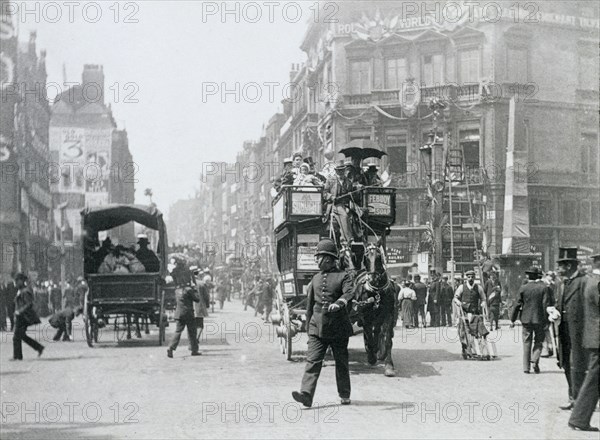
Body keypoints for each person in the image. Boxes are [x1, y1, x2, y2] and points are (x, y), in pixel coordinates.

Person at [292, 239, 354, 407]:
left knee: (341, 362)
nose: (316, 260)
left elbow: (349, 293)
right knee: (312, 361)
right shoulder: (316, 278)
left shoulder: (344, 276)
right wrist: (308, 329)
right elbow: (310, 305)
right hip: (316, 327)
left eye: (318, 257)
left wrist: (340, 302)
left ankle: (344, 394)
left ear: (328, 258)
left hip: (338, 327)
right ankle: (306, 394)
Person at [568, 253, 600, 432]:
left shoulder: (590, 281)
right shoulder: (597, 283)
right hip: (598, 337)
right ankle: (579, 419)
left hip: (594, 336)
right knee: (593, 379)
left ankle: (579, 418)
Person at [553, 247, 588, 410]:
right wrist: (554, 311)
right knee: (566, 363)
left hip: (579, 332)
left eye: (560, 265)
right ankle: (572, 397)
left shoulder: (583, 282)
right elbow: (561, 304)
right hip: (564, 330)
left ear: (568, 266)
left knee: (578, 365)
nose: (557, 269)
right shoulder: (561, 284)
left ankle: (579, 398)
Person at [510, 266, 551, 374]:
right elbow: (545, 305)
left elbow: (517, 304)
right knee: (539, 341)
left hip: (526, 319)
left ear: (529, 276)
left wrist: (513, 319)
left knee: (526, 342)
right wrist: (546, 320)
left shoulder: (523, 288)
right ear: (539, 276)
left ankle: (526, 367)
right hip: (539, 319)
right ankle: (535, 360)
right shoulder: (544, 288)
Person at [167, 264, 201, 358]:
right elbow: (197, 299)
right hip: (189, 313)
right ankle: (194, 350)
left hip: (179, 313)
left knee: (178, 331)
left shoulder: (177, 290)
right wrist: (195, 289)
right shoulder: (188, 290)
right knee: (192, 332)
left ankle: (171, 348)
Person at [454, 270, 489, 358]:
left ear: (474, 278)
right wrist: (458, 302)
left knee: (478, 332)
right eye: (469, 277)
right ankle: (465, 350)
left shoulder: (478, 288)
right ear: (466, 278)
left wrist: (483, 303)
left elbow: (483, 298)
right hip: (465, 314)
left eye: (472, 277)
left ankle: (480, 350)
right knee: (464, 333)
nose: (470, 279)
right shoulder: (462, 287)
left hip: (475, 314)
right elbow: (456, 298)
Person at [12, 273, 44, 360]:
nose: (15, 283)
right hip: (21, 317)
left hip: (24, 317)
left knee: (16, 337)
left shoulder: (26, 291)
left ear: (21, 281)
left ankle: (17, 357)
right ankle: (38, 347)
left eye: (16, 281)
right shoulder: (21, 290)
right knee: (21, 336)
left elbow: (29, 304)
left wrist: (19, 311)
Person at [323, 160, 354, 244]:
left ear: (345, 171)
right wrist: (332, 197)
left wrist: (350, 195)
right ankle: (347, 238)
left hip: (346, 205)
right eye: (339, 170)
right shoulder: (330, 180)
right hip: (334, 205)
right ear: (336, 171)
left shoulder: (349, 182)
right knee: (344, 216)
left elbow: (350, 196)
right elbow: (324, 193)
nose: (341, 172)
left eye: (342, 170)